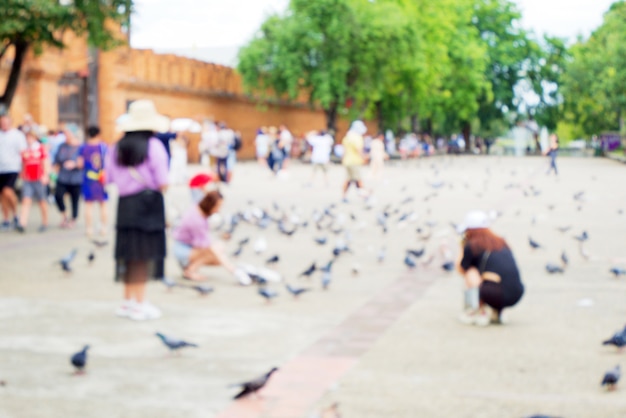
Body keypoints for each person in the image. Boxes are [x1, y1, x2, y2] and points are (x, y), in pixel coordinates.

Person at [105, 99, 170, 321]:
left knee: (128, 253)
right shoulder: (154, 147)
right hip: (148, 205)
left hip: (125, 206)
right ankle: (139, 305)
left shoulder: (116, 148)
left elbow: (109, 178)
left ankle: (127, 302)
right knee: (143, 255)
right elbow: (163, 182)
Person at [456, 210, 524, 326]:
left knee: (471, 272)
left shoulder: (472, 245)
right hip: (517, 293)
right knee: (492, 275)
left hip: (495, 294)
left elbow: (462, 268)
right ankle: (498, 312)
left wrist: (462, 248)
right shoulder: (500, 241)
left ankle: (478, 311)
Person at [172, 190, 251, 285]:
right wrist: (231, 269)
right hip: (182, 250)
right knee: (215, 252)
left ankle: (190, 269)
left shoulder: (198, 209)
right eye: (217, 206)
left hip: (186, 246)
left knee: (218, 248)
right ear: (210, 204)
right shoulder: (196, 220)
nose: (218, 210)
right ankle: (190, 271)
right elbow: (207, 246)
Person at [16, 126, 49, 233]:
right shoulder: (25, 150)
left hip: (39, 178)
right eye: (27, 137)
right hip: (28, 179)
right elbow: (23, 164)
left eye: (31, 137)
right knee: (26, 200)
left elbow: (45, 163)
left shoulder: (40, 149)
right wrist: (22, 173)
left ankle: (45, 222)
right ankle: (22, 222)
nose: (29, 139)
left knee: (42, 201)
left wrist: (46, 175)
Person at [77, 126, 108, 238]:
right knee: (103, 204)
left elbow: (80, 164)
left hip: (88, 179)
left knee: (88, 205)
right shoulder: (103, 147)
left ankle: (89, 229)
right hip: (101, 179)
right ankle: (103, 228)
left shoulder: (83, 147)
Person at [0, 114, 27, 230]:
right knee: (2, 196)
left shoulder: (17, 135)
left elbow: (23, 153)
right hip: (1, 169)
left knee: (8, 192)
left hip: (12, 168)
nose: (4, 124)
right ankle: (6, 219)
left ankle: (16, 214)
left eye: (6, 122)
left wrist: (24, 169)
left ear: (10, 122)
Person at [53, 127, 83, 228]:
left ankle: (73, 218)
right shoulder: (62, 146)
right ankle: (64, 214)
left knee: (75, 199)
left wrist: (74, 164)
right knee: (58, 195)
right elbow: (57, 161)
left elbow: (84, 162)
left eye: (67, 133)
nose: (66, 136)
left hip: (76, 177)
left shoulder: (80, 147)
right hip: (63, 176)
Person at [341, 120, 368, 202]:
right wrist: (364, 157)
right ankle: (365, 196)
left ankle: (344, 197)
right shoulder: (357, 137)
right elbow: (358, 150)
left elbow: (344, 150)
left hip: (347, 161)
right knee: (358, 179)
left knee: (348, 179)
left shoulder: (347, 137)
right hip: (354, 162)